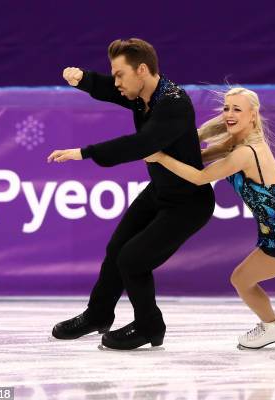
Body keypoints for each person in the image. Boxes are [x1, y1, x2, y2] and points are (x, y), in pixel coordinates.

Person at [144, 87, 275, 349]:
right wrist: (180, 141)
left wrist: (162, 157)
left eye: (237, 109)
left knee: (241, 279)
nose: (229, 114)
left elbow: (199, 177)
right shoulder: (237, 145)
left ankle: (272, 326)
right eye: (226, 108)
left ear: (253, 115)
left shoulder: (245, 152)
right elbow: (197, 157)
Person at [46, 38, 215, 350]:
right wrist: (84, 79)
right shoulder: (143, 94)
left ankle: (150, 326)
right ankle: (98, 314)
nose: (117, 81)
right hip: (161, 191)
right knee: (117, 248)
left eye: (120, 74)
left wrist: (83, 153)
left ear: (141, 70)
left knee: (133, 259)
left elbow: (142, 143)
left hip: (188, 203)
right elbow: (112, 90)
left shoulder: (173, 104)